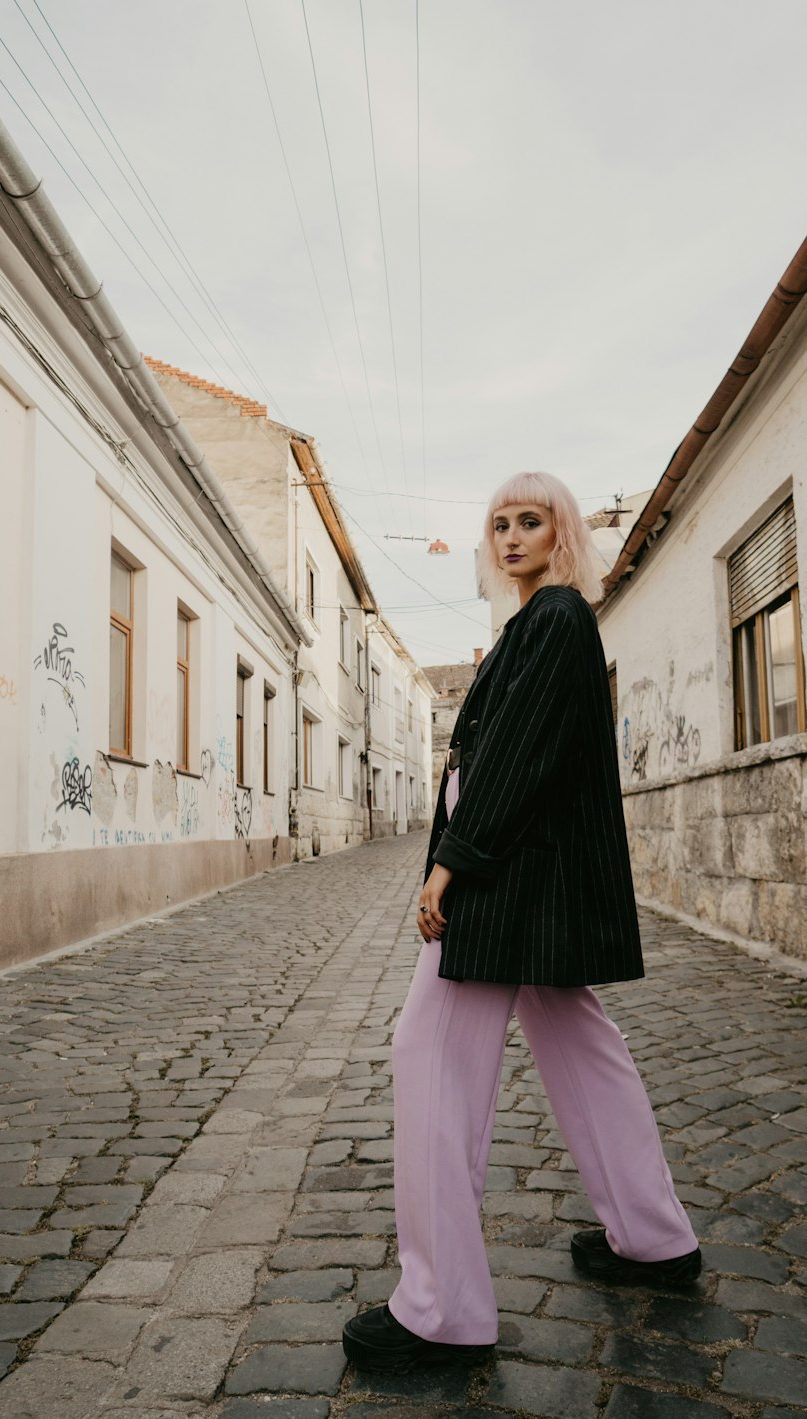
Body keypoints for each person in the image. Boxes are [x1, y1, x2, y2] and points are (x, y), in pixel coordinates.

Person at [342, 471, 700, 1372]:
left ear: (562, 533)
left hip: (507, 879)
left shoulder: (554, 619)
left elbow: (510, 756)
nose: (509, 537)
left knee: (427, 1054)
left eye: (529, 521)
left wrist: (453, 862)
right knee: (578, 1042)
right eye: (498, 523)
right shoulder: (542, 623)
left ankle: (441, 1309)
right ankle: (653, 1239)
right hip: (529, 876)